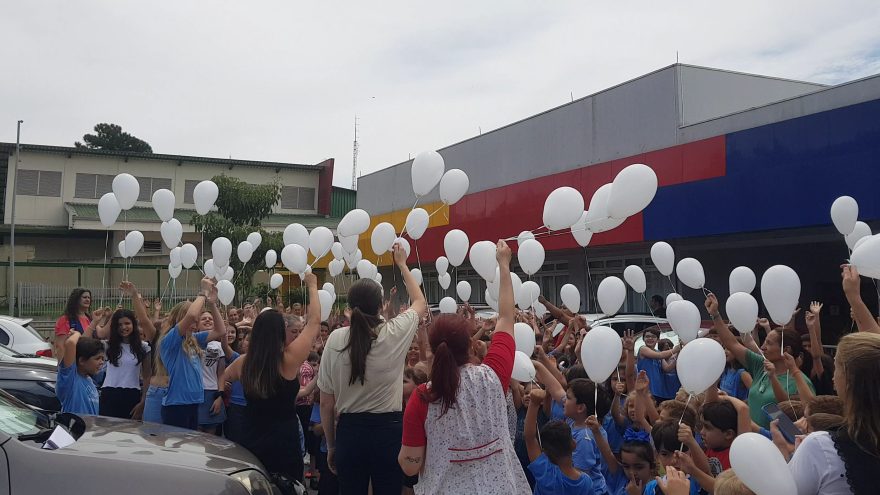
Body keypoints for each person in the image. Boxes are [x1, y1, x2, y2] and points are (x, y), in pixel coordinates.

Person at [399, 240, 527, 494]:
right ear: (471, 343)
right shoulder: (494, 377)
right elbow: (505, 317)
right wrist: (504, 265)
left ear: (434, 351)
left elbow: (409, 466)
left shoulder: (423, 397)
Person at [320, 243, 427, 495]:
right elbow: (420, 301)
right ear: (381, 305)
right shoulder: (394, 332)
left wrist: (333, 445)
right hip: (388, 433)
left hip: (350, 434)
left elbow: (326, 402)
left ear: (350, 305)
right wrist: (401, 264)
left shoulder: (335, 339)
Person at [223, 272, 321, 486]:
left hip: (250, 435)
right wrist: (312, 286)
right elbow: (314, 323)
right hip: (284, 439)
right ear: (280, 332)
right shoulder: (289, 359)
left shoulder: (244, 362)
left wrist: (223, 395)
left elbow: (223, 377)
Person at [786, 332, 880, 495]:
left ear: (849, 380)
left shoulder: (820, 447)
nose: (833, 378)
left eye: (836, 366)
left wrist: (785, 451)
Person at [706, 293, 814, 428]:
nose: (762, 347)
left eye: (768, 343)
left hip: (777, 443)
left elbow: (793, 422)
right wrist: (715, 314)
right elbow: (732, 344)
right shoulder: (759, 365)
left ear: (786, 350)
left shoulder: (800, 381)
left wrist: (773, 377)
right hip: (751, 439)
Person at [159, 278, 225, 429]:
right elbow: (191, 316)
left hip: (193, 403)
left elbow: (221, 330)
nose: (195, 323)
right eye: (194, 320)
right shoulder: (170, 340)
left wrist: (212, 304)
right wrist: (203, 293)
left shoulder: (194, 339)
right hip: (176, 406)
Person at [98, 281, 155, 419]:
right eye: (119, 324)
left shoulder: (143, 347)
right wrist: (108, 316)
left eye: (127, 323)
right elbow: (97, 335)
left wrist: (143, 401)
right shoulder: (107, 346)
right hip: (109, 393)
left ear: (133, 325)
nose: (123, 327)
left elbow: (147, 376)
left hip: (132, 395)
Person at [525, 388, 593, 494]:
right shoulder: (586, 482)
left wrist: (533, 404)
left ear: (545, 451)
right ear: (574, 444)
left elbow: (529, 438)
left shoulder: (545, 473)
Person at [57, 330, 104, 415]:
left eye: (102, 359)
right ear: (82, 360)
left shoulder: (89, 380)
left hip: (90, 428)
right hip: (73, 427)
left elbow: (82, 345)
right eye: (97, 358)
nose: (101, 362)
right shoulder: (70, 380)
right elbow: (71, 343)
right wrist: (77, 333)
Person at [197, 311, 226, 435]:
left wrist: (220, 396)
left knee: (210, 435)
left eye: (210, 318)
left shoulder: (219, 346)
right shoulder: (190, 342)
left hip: (212, 394)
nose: (208, 320)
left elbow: (221, 374)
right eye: (204, 318)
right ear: (197, 323)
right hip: (194, 393)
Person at [637, 327, 680, 402]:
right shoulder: (643, 349)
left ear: (658, 340)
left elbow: (667, 369)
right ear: (643, 339)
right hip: (647, 390)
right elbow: (660, 355)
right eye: (647, 336)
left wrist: (678, 354)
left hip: (659, 392)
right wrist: (675, 349)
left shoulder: (658, 351)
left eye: (653, 336)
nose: (650, 338)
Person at [54, 288, 96, 361]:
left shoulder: (89, 318)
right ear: (76, 299)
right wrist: (65, 367)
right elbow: (60, 346)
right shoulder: (65, 319)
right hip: (71, 363)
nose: (87, 300)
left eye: (89, 298)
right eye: (84, 297)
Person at [699, 401, 738, 476]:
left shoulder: (735, 458)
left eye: (708, 427)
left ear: (728, 434)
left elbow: (743, 409)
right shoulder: (707, 447)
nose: (702, 432)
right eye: (702, 426)